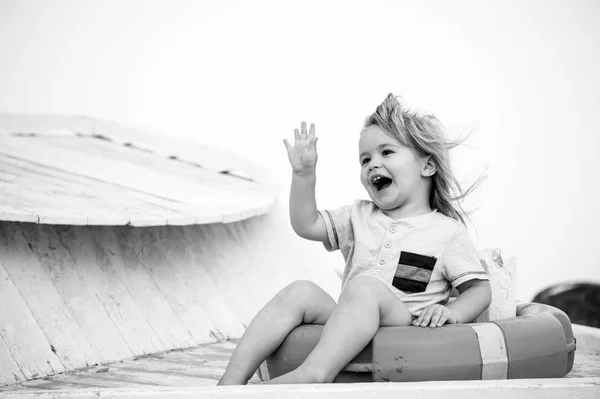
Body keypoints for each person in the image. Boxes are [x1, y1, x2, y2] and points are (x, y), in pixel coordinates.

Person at [217, 93, 492, 385]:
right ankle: (231, 381)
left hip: (405, 325)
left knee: (366, 288)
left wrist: (451, 312)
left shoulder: (446, 232)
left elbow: (478, 290)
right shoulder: (359, 215)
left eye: (387, 153)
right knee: (300, 291)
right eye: (365, 159)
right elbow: (306, 224)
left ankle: (314, 373)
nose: (373, 164)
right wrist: (303, 175)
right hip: (350, 320)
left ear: (427, 166)